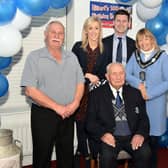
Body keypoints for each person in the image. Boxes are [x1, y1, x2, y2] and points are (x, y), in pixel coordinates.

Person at [21, 21, 85, 168]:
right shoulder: (34, 57)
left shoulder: (72, 57)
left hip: (68, 114)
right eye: (53, 32)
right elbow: (30, 90)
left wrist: (75, 103)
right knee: (42, 157)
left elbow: (80, 83)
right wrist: (57, 107)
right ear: (46, 35)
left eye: (60, 33)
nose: (57, 36)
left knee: (66, 157)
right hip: (44, 115)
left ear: (64, 37)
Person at [86, 63, 151, 168]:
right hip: (110, 136)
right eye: (114, 74)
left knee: (145, 153)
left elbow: (143, 119)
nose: (118, 77)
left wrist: (140, 134)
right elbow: (90, 123)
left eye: (121, 73)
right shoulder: (96, 95)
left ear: (125, 75)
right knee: (107, 157)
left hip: (132, 136)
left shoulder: (135, 93)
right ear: (107, 76)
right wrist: (103, 134)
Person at [126, 28, 168, 168]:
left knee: (152, 144)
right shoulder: (135, 55)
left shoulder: (162, 56)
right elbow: (126, 74)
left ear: (152, 39)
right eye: (140, 40)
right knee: (137, 142)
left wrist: (149, 94)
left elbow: (167, 81)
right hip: (138, 103)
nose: (144, 42)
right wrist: (140, 86)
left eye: (146, 38)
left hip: (156, 104)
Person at [72, 16, 108, 167]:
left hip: (96, 95)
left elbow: (105, 73)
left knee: (93, 127)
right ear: (86, 30)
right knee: (80, 127)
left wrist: (99, 78)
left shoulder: (105, 50)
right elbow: (71, 69)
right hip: (79, 93)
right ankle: (84, 158)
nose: (93, 31)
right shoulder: (78, 47)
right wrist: (87, 75)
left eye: (96, 28)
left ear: (100, 30)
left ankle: (94, 157)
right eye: (90, 28)